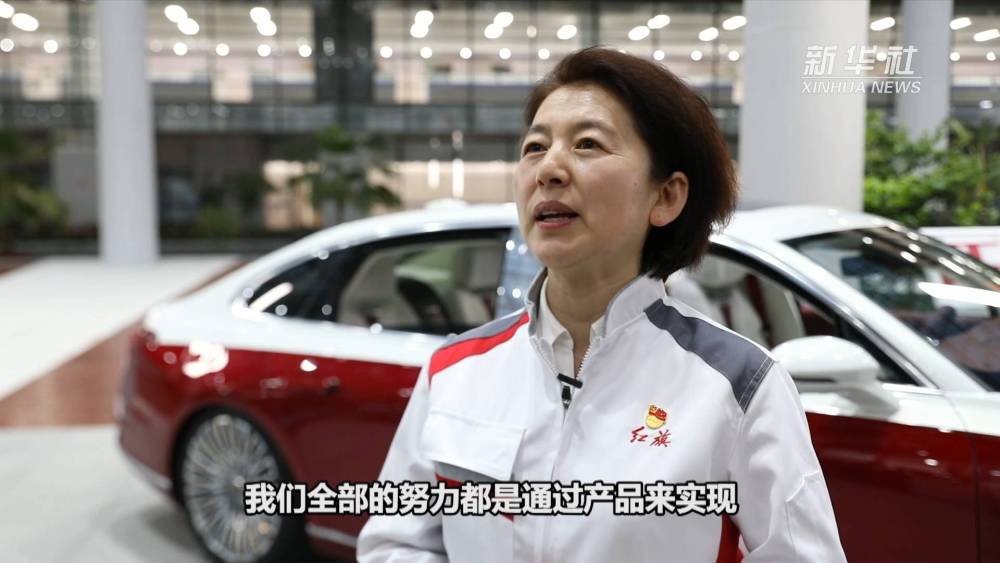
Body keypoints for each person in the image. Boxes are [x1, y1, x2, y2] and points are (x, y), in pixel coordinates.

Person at [357, 46, 846, 563]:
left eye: (588, 144)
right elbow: (396, 543)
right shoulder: (455, 370)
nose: (549, 169)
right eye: (534, 147)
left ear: (666, 197)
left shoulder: (739, 385)